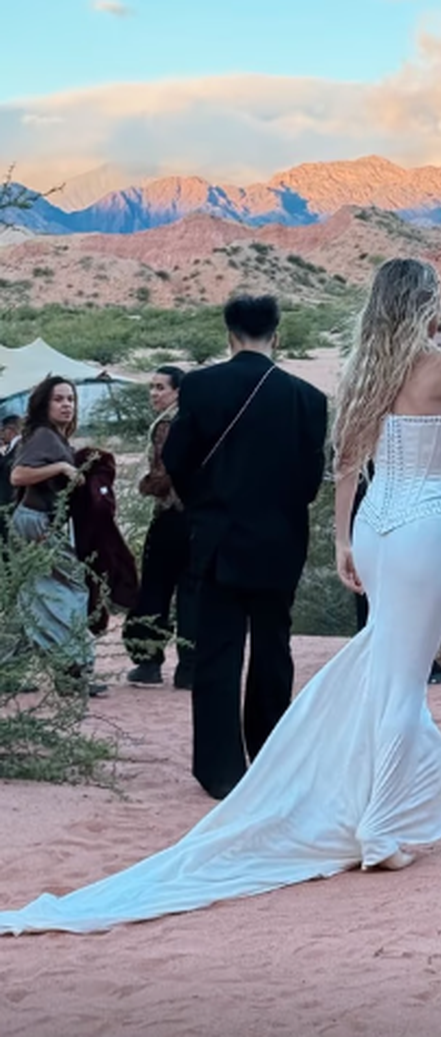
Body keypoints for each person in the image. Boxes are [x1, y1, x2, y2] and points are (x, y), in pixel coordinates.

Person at [0, 258, 441, 936]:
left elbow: (337, 465)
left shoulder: (362, 368)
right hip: (415, 523)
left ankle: (316, 793)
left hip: (363, 526)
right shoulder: (440, 369)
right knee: (397, 672)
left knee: (344, 659)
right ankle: (382, 826)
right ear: (427, 301)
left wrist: (342, 543)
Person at [162, 296, 328, 800]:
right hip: (279, 539)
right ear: (277, 336)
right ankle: (272, 756)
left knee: (218, 652)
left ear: (229, 334)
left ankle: (220, 769)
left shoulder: (200, 385)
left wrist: (204, 506)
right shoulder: (308, 398)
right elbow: (309, 481)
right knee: (273, 649)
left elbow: (177, 457)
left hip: (216, 539)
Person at [352, 319, 441, 686]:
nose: (440, 354)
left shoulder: (388, 377)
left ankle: (410, 664)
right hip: (394, 506)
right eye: (434, 346)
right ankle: (392, 664)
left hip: (415, 507)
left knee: (415, 598)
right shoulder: (389, 380)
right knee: (387, 598)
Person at [9, 377, 105, 698]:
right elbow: (18, 475)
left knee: (31, 596)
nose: (67, 405)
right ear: (43, 404)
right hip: (37, 523)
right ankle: (71, 670)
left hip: (34, 522)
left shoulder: (50, 436)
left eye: (71, 399)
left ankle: (10, 668)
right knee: (68, 591)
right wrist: (62, 467)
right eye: (58, 399)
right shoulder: (44, 437)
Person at [123, 366, 196, 690]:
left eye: (160, 387)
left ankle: (148, 662)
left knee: (154, 590)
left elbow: (162, 474)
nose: (154, 393)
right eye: (151, 387)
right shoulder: (199, 419)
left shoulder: (167, 424)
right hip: (198, 519)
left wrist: (145, 485)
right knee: (192, 593)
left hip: (170, 516)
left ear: (177, 391)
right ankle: (190, 667)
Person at [0, 414, 22, 539]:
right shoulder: (11, 448)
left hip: (9, 503)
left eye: (3, 430)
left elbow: (8, 469)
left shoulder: (19, 447)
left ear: (11, 429)